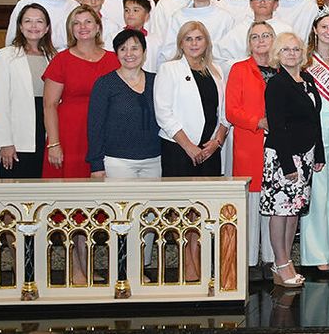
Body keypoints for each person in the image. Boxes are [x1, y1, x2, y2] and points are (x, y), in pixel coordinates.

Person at [155, 21, 229, 282]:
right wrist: (189, 147)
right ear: (181, 44)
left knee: (203, 208)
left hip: (210, 150)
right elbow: (163, 113)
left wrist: (216, 141)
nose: (194, 43)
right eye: (189, 39)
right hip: (179, 150)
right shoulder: (170, 69)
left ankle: (198, 254)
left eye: (199, 38)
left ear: (206, 42)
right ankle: (188, 259)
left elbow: (225, 113)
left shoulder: (216, 70)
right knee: (181, 207)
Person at [262, 32, 326, 289]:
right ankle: (279, 263)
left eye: (295, 49)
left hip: (306, 154)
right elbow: (276, 126)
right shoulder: (277, 84)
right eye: (286, 50)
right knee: (280, 212)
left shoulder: (307, 80)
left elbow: (315, 119)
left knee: (293, 211)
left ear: (303, 53)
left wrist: (318, 153)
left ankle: (286, 260)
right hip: (283, 156)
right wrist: (288, 165)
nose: (291, 53)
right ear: (278, 54)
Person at [225, 21, 278, 280]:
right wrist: (258, 122)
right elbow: (231, 111)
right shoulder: (239, 69)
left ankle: (272, 260)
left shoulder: (284, 68)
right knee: (251, 205)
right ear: (249, 42)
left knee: (274, 203)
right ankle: (247, 264)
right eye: (255, 37)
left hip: (279, 148)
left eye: (266, 35)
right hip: (250, 144)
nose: (260, 41)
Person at [43, 5, 120, 179]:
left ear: (98, 27)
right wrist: (54, 143)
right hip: (70, 134)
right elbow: (49, 105)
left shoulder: (114, 60)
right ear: (71, 29)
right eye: (76, 23)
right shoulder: (61, 60)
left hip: (105, 132)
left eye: (88, 22)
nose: (83, 27)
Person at [299, 9, 329, 276]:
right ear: (315, 29)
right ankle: (315, 256)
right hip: (313, 132)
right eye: (324, 27)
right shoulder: (305, 62)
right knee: (316, 193)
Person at [0, 4, 56, 178]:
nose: (33, 26)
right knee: (13, 196)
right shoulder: (5, 56)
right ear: (20, 26)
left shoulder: (53, 57)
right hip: (16, 138)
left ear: (47, 27)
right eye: (28, 21)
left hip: (44, 133)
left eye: (39, 22)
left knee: (40, 195)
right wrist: (5, 143)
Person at [86, 29, 161, 178]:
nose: (129, 54)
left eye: (135, 48)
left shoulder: (157, 81)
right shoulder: (105, 84)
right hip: (117, 161)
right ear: (116, 53)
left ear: (144, 52)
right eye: (123, 49)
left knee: (152, 201)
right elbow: (95, 127)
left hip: (154, 160)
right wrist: (96, 164)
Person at [158, 0, 233, 67]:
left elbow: (229, 49)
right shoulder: (178, 17)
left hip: (216, 68)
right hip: (184, 68)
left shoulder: (225, 17)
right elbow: (170, 48)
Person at [218, 0, 294, 63]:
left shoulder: (285, 30)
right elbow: (220, 57)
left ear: (275, 4)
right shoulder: (239, 30)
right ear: (251, 4)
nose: (262, 2)